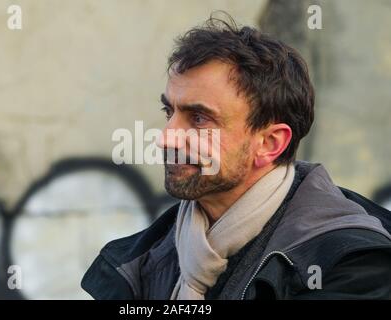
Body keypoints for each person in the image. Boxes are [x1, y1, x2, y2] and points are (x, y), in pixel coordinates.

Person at [81, 15, 391, 300]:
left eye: (199, 119)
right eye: (169, 111)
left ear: (269, 143)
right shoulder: (142, 259)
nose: (165, 138)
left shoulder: (353, 263)